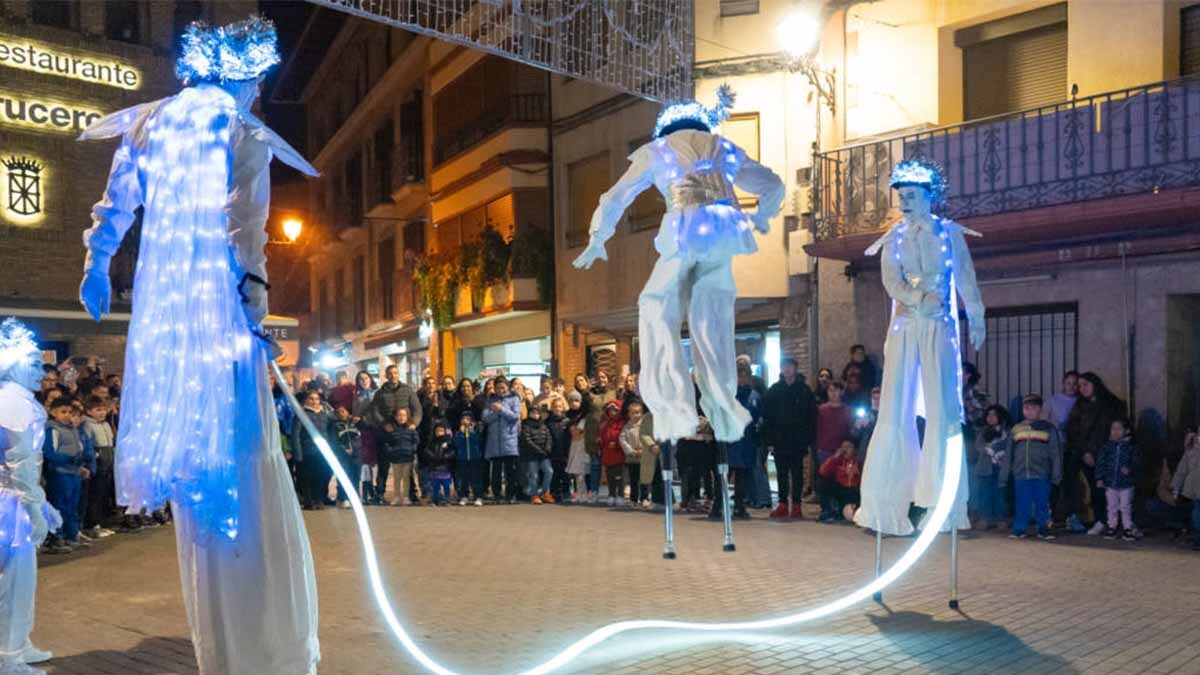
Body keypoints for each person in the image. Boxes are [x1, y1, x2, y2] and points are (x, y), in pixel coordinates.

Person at [78, 17, 321, 673]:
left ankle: (221, 646)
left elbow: (116, 200)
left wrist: (98, 263)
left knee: (198, 483)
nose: (258, 93)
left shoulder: (149, 121)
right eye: (258, 81)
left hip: (167, 331)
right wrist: (255, 311)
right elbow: (246, 227)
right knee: (243, 472)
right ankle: (260, 645)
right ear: (244, 75)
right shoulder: (242, 130)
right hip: (218, 327)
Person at [573, 85, 785, 448]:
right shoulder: (723, 146)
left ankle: (674, 407)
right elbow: (773, 184)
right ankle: (723, 410)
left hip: (686, 229)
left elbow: (616, 197)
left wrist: (598, 236)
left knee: (657, 307)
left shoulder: (658, 149)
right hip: (723, 229)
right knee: (712, 318)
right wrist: (762, 216)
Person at [855, 159, 984, 536]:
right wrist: (915, 298)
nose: (905, 201)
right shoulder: (893, 238)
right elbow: (890, 280)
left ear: (929, 196)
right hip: (905, 326)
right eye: (901, 196)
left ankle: (944, 504)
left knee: (942, 406)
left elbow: (965, 277)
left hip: (939, 326)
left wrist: (976, 315)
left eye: (912, 195)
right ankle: (886, 504)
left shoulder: (948, 234)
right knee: (895, 407)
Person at [0, 318, 61, 674]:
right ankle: (8, 657)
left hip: (12, 500)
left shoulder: (13, 399)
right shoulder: (15, 403)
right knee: (14, 580)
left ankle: (18, 644)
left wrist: (41, 504)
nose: (42, 371)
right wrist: (34, 509)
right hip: (10, 505)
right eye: (35, 364)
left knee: (20, 579)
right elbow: (21, 465)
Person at [1065, 372, 1124, 535]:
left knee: (1108, 489)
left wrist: (1095, 452)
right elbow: (1073, 430)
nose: (1081, 388)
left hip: (1105, 453)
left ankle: (1109, 521)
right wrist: (1084, 452)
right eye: (1080, 385)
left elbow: (1111, 430)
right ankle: (1096, 519)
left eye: (1085, 384)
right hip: (1083, 454)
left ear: (1095, 384)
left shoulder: (1112, 404)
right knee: (1092, 487)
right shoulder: (1079, 405)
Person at [998, 395, 1063, 540]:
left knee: (1043, 503)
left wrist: (1056, 477)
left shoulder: (1048, 429)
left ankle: (1044, 528)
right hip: (1021, 474)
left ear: (1040, 410)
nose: (1029, 411)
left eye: (1034, 408)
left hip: (1042, 474)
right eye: (1026, 408)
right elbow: (1009, 454)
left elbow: (1056, 454)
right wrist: (1004, 477)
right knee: (1022, 502)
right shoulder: (1016, 429)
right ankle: (1019, 528)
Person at [763, 358, 817, 520]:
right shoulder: (774, 390)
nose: (787, 370)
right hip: (779, 439)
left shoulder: (805, 391)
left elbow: (811, 417)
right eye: (784, 367)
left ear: (796, 368)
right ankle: (782, 504)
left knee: (797, 473)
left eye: (790, 367)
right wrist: (769, 441)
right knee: (781, 473)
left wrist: (807, 439)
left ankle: (797, 505)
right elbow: (768, 417)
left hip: (797, 440)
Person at [41, 398, 94, 554]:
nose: (67, 415)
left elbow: (79, 449)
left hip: (74, 474)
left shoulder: (74, 430)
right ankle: (56, 538)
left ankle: (71, 536)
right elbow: (48, 452)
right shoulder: (52, 430)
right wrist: (68, 459)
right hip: (59, 473)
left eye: (69, 412)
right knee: (59, 506)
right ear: (53, 412)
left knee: (72, 506)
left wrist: (81, 465)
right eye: (63, 412)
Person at [727, 366, 762, 520]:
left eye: (745, 376)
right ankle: (718, 504)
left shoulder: (755, 396)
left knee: (742, 475)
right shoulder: (729, 396)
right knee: (725, 474)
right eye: (739, 376)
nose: (743, 379)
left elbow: (759, 418)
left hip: (747, 441)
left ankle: (739, 506)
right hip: (731, 441)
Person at [1095, 417, 1139, 540]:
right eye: (1113, 429)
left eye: (1119, 429)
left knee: (1126, 506)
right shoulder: (1107, 447)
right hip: (1110, 483)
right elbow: (1101, 463)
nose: (1115, 432)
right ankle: (1112, 527)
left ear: (1126, 431)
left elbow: (1137, 463)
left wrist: (1130, 470)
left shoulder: (1131, 447)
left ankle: (1128, 528)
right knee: (1111, 506)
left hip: (1126, 483)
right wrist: (1099, 478)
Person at [969, 404, 1011, 531]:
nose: (990, 417)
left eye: (994, 415)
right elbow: (978, 446)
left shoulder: (1007, 433)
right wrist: (988, 450)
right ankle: (984, 519)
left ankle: (1001, 519)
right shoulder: (983, 431)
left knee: (1000, 495)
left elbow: (1008, 448)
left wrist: (999, 453)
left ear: (1001, 417)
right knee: (984, 494)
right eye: (988, 414)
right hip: (984, 469)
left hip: (1000, 468)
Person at [291, 390, 334, 510]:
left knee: (321, 475)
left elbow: (329, 430)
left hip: (322, 450)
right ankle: (308, 501)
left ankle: (318, 499)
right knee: (306, 477)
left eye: (316, 399)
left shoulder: (324, 414)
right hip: (307, 450)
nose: (314, 401)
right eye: (311, 398)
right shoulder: (301, 414)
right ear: (306, 400)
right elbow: (296, 434)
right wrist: (298, 452)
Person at [815, 380, 852, 518]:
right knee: (824, 481)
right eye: (831, 390)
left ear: (842, 392)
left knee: (840, 481)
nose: (834, 393)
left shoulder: (848, 410)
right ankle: (826, 508)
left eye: (837, 390)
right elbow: (817, 429)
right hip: (825, 449)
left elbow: (850, 430)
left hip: (842, 450)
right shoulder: (821, 410)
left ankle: (839, 509)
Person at [482, 377, 521, 504]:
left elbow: (515, 416)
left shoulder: (514, 399)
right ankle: (497, 494)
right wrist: (496, 413)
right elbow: (485, 418)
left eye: (503, 387)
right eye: (498, 387)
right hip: (494, 441)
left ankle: (510, 495)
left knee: (510, 471)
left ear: (508, 387)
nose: (501, 389)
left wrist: (501, 409)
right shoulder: (490, 400)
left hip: (509, 440)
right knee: (496, 471)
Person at [618, 401, 659, 510]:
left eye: (639, 412)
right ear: (629, 414)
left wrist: (644, 449)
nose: (637, 415)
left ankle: (644, 498)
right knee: (634, 480)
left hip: (644, 457)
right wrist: (631, 451)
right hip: (632, 459)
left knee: (644, 479)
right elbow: (622, 440)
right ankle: (633, 499)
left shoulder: (644, 425)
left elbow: (648, 437)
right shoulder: (627, 427)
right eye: (634, 413)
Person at [378, 408, 419, 507]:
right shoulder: (392, 430)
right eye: (399, 415)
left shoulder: (411, 430)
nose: (401, 417)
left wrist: (412, 450)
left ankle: (406, 497)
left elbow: (416, 441)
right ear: (395, 417)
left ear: (407, 417)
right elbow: (387, 442)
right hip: (396, 457)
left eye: (404, 415)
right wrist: (390, 451)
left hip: (407, 457)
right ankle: (396, 496)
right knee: (397, 478)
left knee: (406, 477)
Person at [818, 440, 863, 522]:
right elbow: (822, 471)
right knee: (823, 482)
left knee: (849, 513)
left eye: (848, 447)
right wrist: (834, 457)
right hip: (840, 489)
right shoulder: (837, 461)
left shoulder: (858, 463)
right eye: (843, 447)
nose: (845, 450)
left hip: (853, 492)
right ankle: (826, 511)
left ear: (854, 450)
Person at [1170, 430, 1200, 550]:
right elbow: (1181, 472)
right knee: (1196, 516)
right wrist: (1176, 488)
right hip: (1194, 492)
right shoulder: (1190, 453)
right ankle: (1197, 538)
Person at [519, 405, 555, 504]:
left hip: (544, 455)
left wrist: (547, 448)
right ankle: (534, 495)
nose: (535, 415)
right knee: (533, 476)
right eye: (533, 413)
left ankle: (545, 492)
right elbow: (527, 440)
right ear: (529, 414)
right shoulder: (525, 425)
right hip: (531, 455)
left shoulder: (543, 425)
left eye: (537, 413)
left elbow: (549, 437)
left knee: (549, 471)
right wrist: (539, 450)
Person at [332, 406, 362, 509]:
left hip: (356, 454)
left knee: (356, 476)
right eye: (338, 411)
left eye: (343, 411)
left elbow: (361, 436)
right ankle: (342, 498)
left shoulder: (355, 423)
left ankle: (355, 497)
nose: (341, 413)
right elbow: (334, 440)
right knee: (344, 476)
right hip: (342, 455)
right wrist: (343, 450)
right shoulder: (334, 425)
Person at [598, 401, 627, 506]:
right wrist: (601, 442)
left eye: (615, 410)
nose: (612, 412)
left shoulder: (623, 423)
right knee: (610, 477)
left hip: (619, 455)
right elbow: (602, 436)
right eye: (610, 410)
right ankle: (611, 494)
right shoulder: (605, 424)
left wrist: (617, 444)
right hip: (608, 454)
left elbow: (624, 437)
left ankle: (620, 495)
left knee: (619, 477)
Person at [420, 421, 455, 506]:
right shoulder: (432, 442)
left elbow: (452, 452)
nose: (439, 433)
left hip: (445, 468)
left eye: (441, 431)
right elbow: (427, 451)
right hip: (434, 468)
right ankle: (435, 500)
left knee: (446, 486)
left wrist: (445, 456)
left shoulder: (449, 442)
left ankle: (447, 500)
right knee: (435, 486)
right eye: (437, 431)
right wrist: (433, 457)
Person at [453, 413, 484, 506]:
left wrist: (471, 432)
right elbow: (456, 443)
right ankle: (464, 496)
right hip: (462, 458)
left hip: (475, 458)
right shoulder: (458, 433)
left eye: (467, 419)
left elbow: (477, 441)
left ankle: (478, 496)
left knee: (476, 478)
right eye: (463, 419)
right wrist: (462, 433)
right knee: (463, 479)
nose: (465, 421)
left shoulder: (475, 431)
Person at [565, 392, 591, 503]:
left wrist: (573, 429)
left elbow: (577, 434)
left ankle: (584, 494)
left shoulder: (583, 420)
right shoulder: (570, 417)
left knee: (581, 473)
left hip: (581, 448)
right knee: (577, 474)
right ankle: (579, 493)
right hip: (574, 448)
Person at [546, 396, 573, 502]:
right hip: (553, 452)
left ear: (563, 408)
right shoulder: (548, 422)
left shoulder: (567, 421)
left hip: (565, 452)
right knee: (554, 474)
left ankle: (566, 492)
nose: (557, 408)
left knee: (565, 474)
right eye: (555, 407)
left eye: (559, 406)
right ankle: (554, 493)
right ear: (552, 408)